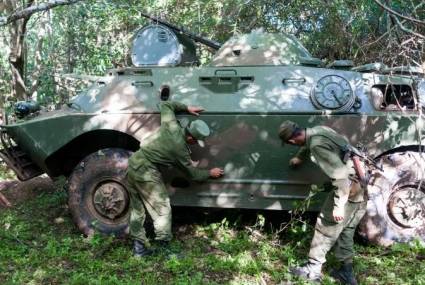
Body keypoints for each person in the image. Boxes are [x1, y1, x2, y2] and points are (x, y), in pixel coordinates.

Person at [127, 101, 224, 257]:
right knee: (163, 208)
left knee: (137, 209)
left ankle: (139, 249)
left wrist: (187, 108)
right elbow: (193, 175)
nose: (194, 145)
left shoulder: (171, 125)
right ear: (191, 138)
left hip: (133, 164)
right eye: (195, 142)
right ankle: (164, 249)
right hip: (146, 171)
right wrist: (209, 173)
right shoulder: (180, 150)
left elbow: (166, 105)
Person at [278, 120, 367, 285]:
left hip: (347, 187)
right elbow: (308, 142)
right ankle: (346, 272)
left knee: (325, 227)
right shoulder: (319, 130)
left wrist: (339, 206)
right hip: (361, 183)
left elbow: (340, 177)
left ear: (291, 141)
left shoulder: (316, 146)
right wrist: (299, 156)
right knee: (346, 230)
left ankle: (313, 271)